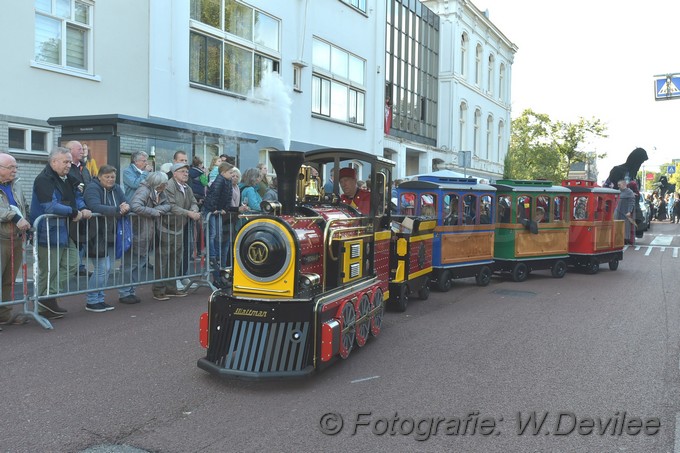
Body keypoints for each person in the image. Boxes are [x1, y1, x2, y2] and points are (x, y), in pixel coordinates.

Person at [31, 147, 92, 319]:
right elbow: (50, 206)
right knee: (48, 270)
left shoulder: (68, 178)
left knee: (72, 264)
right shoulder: (43, 179)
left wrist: (83, 208)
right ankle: (43, 307)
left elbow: (77, 197)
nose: (69, 164)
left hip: (65, 230)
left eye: (69, 161)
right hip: (47, 232)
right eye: (65, 161)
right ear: (53, 162)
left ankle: (47, 297)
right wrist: (74, 212)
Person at [83, 165, 131, 312]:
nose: (110, 180)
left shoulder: (116, 188)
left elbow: (126, 203)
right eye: (107, 177)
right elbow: (94, 206)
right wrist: (118, 210)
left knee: (108, 268)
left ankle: (100, 298)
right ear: (99, 177)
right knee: (102, 268)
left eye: (112, 177)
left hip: (112, 233)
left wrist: (126, 208)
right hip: (95, 233)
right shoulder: (92, 188)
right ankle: (91, 300)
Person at [153, 162, 200, 300]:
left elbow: (194, 202)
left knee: (176, 259)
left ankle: (171, 288)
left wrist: (194, 209)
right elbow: (171, 206)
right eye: (182, 171)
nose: (186, 174)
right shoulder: (169, 186)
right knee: (163, 259)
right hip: (166, 227)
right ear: (174, 174)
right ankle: (158, 289)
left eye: (186, 172)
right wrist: (189, 214)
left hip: (180, 227)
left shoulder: (187, 187)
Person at [130, 171, 172, 300]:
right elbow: (135, 206)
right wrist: (154, 211)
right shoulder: (144, 190)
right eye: (164, 184)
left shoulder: (160, 192)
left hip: (150, 231)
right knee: (132, 263)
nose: (166, 186)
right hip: (140, 229)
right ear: (158, 184)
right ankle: (126, 292)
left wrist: (159, 210)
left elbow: (168, 205)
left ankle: (130, 291)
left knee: (140, 262)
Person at [0, 154, 30, 327]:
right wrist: (15, 217)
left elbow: (24, 205)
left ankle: (4, 314)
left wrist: (29, 221)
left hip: (16, 239)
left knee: (9, 280)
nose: (15, 170)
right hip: (0, 238)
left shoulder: (16, 185)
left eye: (15, 167)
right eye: (11, 167)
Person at [203, 162, 246, 277]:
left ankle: (216, 256)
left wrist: (224, 209)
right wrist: (215, 209)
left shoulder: (227, 182)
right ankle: (212, 256)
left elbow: (226, 199)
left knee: (218, 234)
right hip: (211, 211)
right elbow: (213, 196)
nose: (233, 175)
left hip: (219, 211)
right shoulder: (219, 181)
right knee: (212, 234)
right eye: (231, 173)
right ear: (223, 172)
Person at [66, 140, 93, 277]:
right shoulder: (67, 169)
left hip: (84, 208)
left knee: (82, 237)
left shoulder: (84, 168)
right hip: (72, 211)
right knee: (74, 238)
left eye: (82, 150)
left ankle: (79, 265)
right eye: (79, 149)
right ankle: (74, 265)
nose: (82, 152)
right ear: (70, 151)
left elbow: (88, 185)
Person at [615, 179, 635, 245]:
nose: (618, 186)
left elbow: (631, 202)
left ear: (624, 185)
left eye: (619, 185)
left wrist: (629, 211)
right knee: (618, 225)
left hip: (625, 212)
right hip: (618, 212)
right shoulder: (618, 192)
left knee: (625, 226)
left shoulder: (629, 192)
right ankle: (618, 238)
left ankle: (625, 239)